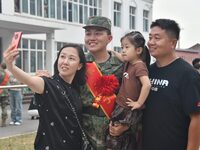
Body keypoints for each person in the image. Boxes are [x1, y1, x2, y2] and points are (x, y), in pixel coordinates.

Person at [3, 43, 87, 149]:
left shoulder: (77, 89)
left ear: (79, 65)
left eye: (71, 58)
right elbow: (30, 81)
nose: (65, 62)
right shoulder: (48, 83)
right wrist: (11, 66)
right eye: (62, 56)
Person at [142, 19, 200, 150]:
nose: (151, 42)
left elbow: (196, 119)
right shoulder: (147, 72)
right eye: (150, 37)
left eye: (157, 38)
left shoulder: (188, 75)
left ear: (173, 43)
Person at [81, 16, 124, 150]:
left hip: (112, 136)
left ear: (109, 38)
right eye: (88, 33)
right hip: (82, 133)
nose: (92, 38)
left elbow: (129, 99)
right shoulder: (78, 63)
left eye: (98, 33)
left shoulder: (121, 66)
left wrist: (125, 125)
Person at [105, 31, 151, 150]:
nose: (123, 50)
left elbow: (147, 84)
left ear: (138, 50)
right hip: (121, 105)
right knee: (114, 133)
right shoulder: (129, 62)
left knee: (119, 135)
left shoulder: (139, 66)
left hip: (129, 107)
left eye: (127, 47)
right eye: (122, 47)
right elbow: (121, 56)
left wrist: (139, 103)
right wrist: (113, 52)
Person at [0, 62, 10, 127]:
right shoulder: (7, 74)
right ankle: (3, 122)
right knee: (4, 107)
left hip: (0, 90)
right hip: (5, 92)